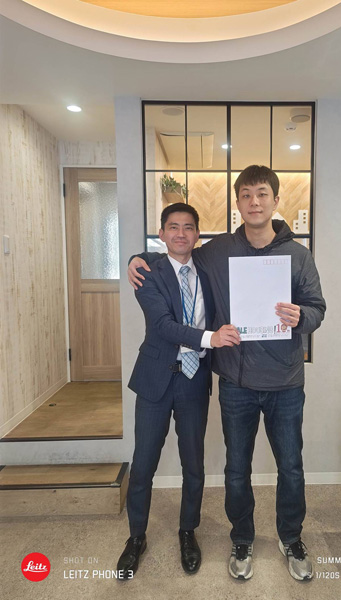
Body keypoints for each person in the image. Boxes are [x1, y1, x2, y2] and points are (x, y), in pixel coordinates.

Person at [128, 165, 326, 582]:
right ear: (237, 203)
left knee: (291, 466)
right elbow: (177, 254)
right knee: (237, 469)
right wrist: (138, 258)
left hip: (286, 382)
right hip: (236, 382)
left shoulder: (298, 255)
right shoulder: (218, 250)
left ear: (275, 200)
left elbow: (317, 309)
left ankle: (291, 537)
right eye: (246, 195)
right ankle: (242, 538)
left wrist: (302, 316)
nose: (255, 202)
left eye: (262, 194)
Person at [118, 203, 240, 579]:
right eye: (173, 227)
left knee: (194, 465)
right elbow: (163, 325)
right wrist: (210, 338)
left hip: (193, 380)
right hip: (155, 380)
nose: (181, 233)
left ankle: (188, 532)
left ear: (197, 235)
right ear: (162, 234)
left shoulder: (207, 270)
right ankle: (136, 537)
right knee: (143, 465)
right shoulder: (148, 272)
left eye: (188, 227)